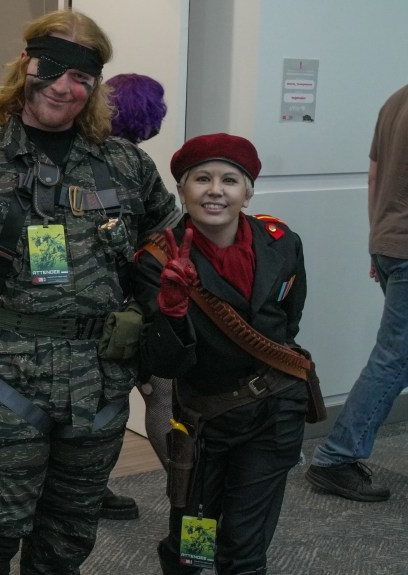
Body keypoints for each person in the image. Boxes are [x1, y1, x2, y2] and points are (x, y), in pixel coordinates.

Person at [0, 10, 180, 574]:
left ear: (95, 86)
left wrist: (157, 316)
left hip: (97, 390)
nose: (63, 86)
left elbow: (167, 243)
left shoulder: (124, 165)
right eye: (50, 68)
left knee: (65, 545)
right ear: (24, 66)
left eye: (81, 76)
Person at [133, 133, 308, 574]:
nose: (215, 190)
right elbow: (164, 364)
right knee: (194, 544)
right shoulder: (156, 260)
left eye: (230, 180)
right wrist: (173, 313)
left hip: (274, 414)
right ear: (182, 191)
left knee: (244, 547)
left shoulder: (282, 241)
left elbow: (289, 320)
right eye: (202, 179)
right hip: (206, 424)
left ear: (247, 192)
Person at [305, 84, 408, 503]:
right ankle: (335, 456)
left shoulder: (397, 99)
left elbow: (374, 175)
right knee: (395, 358)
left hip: (390, 243)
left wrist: (377, 241)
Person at [97, 72, 171, 522]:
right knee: (159, 395)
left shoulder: (112, 163)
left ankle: (93, 488)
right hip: (134, 304)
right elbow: (166, 233)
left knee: (104, 405)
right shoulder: (136, 166)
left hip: (105, 304)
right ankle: (187, 492)